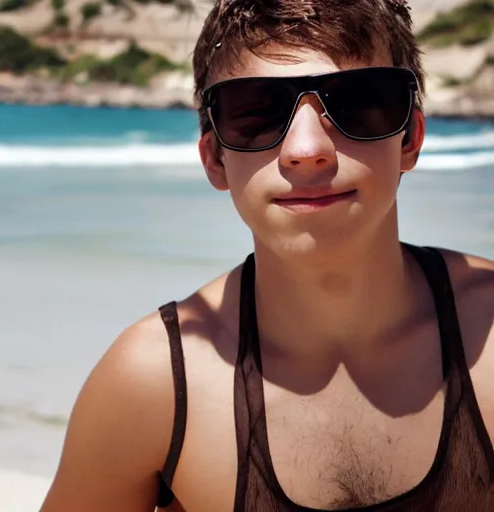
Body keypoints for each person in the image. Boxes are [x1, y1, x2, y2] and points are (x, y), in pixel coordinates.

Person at [40, 0, 494, 510]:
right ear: (214, 158)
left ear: (410, 137)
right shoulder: (154, 384)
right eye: (255, 113)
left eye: (358, 104)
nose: (306, 149)